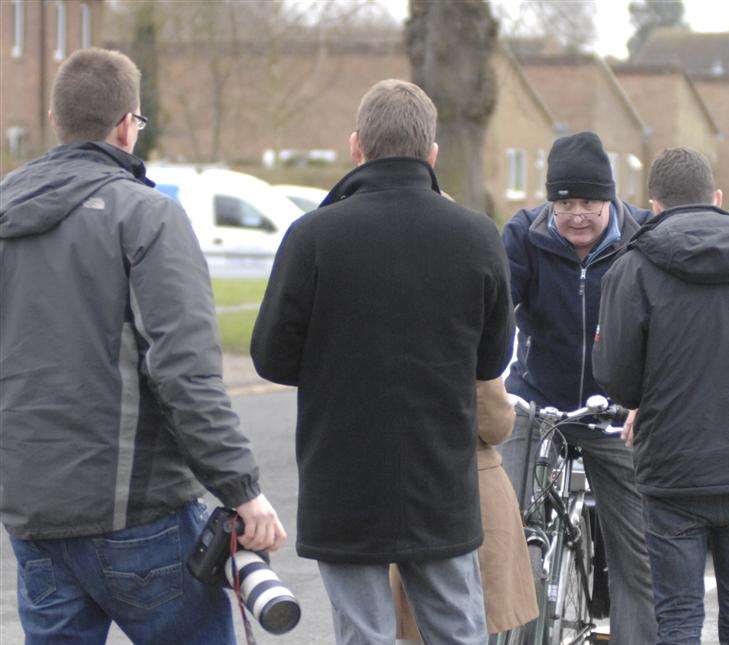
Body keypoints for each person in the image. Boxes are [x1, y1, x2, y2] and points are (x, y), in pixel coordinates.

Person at [0, 48, 285, 645]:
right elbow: (185, 373)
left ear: (57, 119)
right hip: (136, 514)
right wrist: (242, 489)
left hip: (35, 514)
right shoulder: (147, 215)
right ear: (128, 123)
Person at [250, 79, 514, 645]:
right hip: (439, 478)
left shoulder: (313, 236)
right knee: (457, 631)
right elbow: (493, 358)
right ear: (432, 154)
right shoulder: (477, 236)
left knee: (364, 635)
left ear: (356, 147)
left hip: (343, 480)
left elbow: (271, 357)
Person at [593, 147, 729, 644]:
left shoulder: (632, 270)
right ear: (717, 198)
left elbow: (617, 379)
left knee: (677, 619)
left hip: (673, 470)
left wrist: (647, 400)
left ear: (654, 206)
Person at [500, 131, 658, 644]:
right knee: (504, 532)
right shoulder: (524, 236)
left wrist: (644, 400)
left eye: (589, 202)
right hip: (536, 401)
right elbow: (494, 309)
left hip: (616, 411)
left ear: (608, 199)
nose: (577, 216)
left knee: (638, 554)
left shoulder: (643, 237)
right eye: (565, 203)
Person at [390, 378, 539, 642]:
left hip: (398, 485)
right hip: (468, 489)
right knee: (466, 621)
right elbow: (495, 425)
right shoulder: (465, 339)